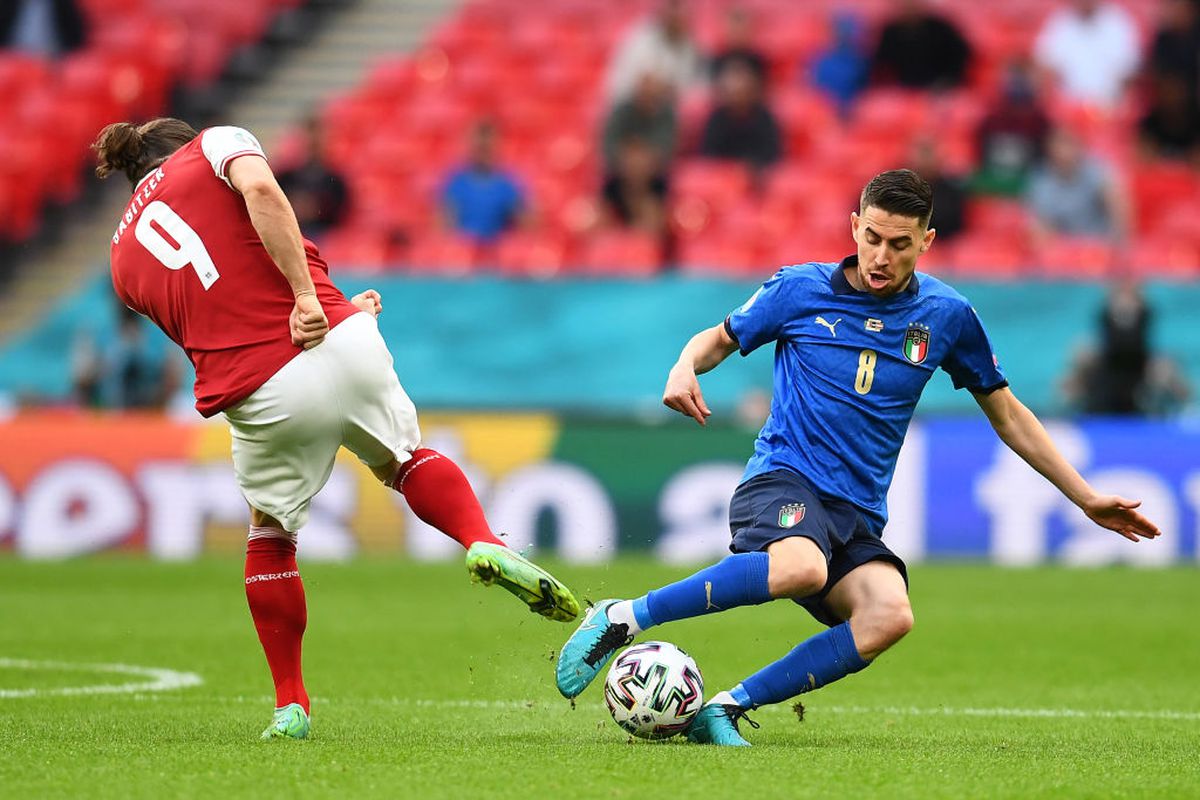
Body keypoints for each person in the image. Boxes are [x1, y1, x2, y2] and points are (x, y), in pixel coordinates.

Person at [555, 169, 1160, 746]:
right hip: (783, 478)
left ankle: (727, 707)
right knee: (801, 568)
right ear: (854, 227)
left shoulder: (947, 317)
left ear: (927, 241)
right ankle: (624, 616)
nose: (881, 256)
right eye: (872, 238)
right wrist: (684, 366)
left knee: (890, 615)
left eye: (899, 244)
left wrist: (1085, 497)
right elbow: (717, 338)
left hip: (856, 513)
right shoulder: (799, 289)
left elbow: (1008, 415)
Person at [93, 118, 580, 741]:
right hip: (340, 332)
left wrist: (299, 315)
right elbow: (265, 197)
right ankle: (481, 538)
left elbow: (210, 315)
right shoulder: (213, 143)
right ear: (179, 146)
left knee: (270, 534)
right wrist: (311, 298)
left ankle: (290, 702)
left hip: (262, 387)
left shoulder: (120, 263)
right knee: (405, 459)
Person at [1033, 0, 1140, 108]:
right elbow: (1045, 63)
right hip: (1069, 107)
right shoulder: (1060, 20)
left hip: (1111, 106)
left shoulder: (1118, 20)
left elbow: (1129, 68)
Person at [1026, 127, 1128, 241]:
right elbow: (1041, 223)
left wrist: (1119, 241)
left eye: (1069, 143)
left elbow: (1117, 203)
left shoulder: (1096, 168)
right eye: (1058, 144)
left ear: (1080, 146)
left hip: (1100, 243)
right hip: (1064, 248)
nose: (1063, 151)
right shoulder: (1041, 179)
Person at [972, 62, 1051, 196]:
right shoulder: (991, 121)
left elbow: (1044, 164)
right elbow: (981, 158)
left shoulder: (1040, 123)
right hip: (994, 184)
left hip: (1030, 186)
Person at [441, 120, 526, 243]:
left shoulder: (508, 183)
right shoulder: (456, 182)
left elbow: (524, 222)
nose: (483, 154)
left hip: (498, 252)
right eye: (480, 149)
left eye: (487, 149)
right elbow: (445, 224)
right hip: (464, 250)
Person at [605, 0, 701, 103]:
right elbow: (645, 84)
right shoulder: (642, 37)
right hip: (629, 104)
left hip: (664, 109)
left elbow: (686, 88)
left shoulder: (688, 47)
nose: (680, 23)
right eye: (675, 18)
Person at [275, 114, 350, 241]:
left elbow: (342, 215)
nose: (313, 142)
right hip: (289, 233)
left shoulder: (336, 180)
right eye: (310, 137)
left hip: (324, 238)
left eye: (318, 137)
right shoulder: (285, 177)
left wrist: (317, 209)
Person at [869, 0, 972, 90]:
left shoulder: (940, 28)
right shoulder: (890, 32)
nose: (909, 7)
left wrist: (947, 82)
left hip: (942, 88)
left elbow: (960, 57)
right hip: (903, 92)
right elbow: (882, 66)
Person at [699, 60, 782, 170]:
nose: (738, 96)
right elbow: (709, 156)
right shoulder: (717, 119)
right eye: (734, 92)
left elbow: (772, 156)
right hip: (722, 177)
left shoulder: (764, 118)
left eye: (743, 91)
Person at [601, 73, 677, 173]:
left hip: (655, 171)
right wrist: (626, 158)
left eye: (653, 98)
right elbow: (609, 143)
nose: (649, 101)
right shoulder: (622, 111)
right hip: (620, 169)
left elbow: (666, 145)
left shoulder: (667, 114)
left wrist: (644, 157)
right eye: (645, 95)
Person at [0, 0, 87, 57]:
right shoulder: (9, 4)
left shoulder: (64, 4)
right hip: (13, 57)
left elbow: (78, 38)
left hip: (53, 58)